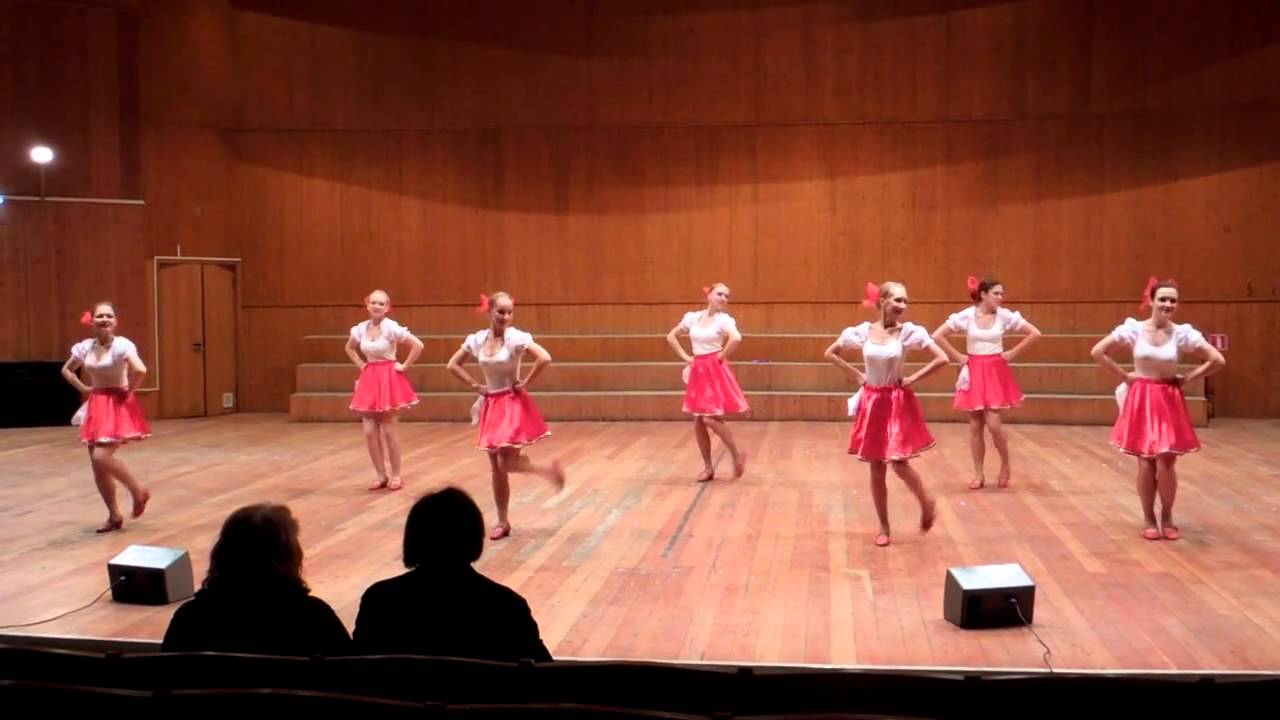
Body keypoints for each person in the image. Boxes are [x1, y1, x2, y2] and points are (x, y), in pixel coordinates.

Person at [1090, 277, 1225, 541]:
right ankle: (1149, 518)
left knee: (1166, 461)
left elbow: (1217, 359)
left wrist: (1188, 378)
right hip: (1142, 397)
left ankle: (1168, 516)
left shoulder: (1182, 333)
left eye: (1173, 300)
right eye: (1162, 299)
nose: (1168, 304)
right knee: (1145, 462)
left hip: (1168, 398)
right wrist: (1125, 376)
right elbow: (1098, 351)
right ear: (1151, 300)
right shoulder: (1134, 329)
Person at [353, 486, 553, 662]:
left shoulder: (379, 600)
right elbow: (547, 676)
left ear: (413, 538)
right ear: (475, 538)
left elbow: (354, 670)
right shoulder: (507, 606)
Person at [824, 282, 949, 547]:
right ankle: (883, 525)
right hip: (872, 401)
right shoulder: (862, 332)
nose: (903, 306)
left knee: (900, 463)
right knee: (876, 466)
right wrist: (857, 375)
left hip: (894, 400)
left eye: (906, 301)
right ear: (882, 301)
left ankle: (925, 502)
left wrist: (913, 378)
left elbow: (941, 358)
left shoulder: (908, 333)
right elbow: (831, 353)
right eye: (898, 300)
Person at [446, 292, 564, 540]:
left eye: (510, 312)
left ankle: (546, 472)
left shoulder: (515, 338)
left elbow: (544, 357)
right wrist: (476, 386)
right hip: (491, 403)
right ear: (490, 311)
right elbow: (452, 365)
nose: (506, 316)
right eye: (501, 311)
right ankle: (502, 520)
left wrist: (525, 382)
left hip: (511, 404)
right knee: (496, 468)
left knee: (505, 463)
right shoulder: (477, 339)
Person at [161, 503, 351, 656]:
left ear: (222, 553)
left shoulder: (191, 618)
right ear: (290, 556)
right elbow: (349, 676)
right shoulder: (314, 618)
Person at [931, 276, 1042, 489]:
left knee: (994, 424)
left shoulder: (1004, 316)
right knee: (975, 425)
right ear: (983, 294)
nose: (1000, 297)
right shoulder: (967, 316)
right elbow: (938, 335)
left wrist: (1011, 353)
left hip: (994, 371)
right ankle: (978, 473)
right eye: (996, 293)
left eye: (1002, 294)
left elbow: (1034, 333)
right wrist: (958, 357)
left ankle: (1005, 464)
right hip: (974, 369)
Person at [60, 302, 152, 533]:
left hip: (117, 404)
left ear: (115, 321)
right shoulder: (85, 347)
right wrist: (84, 388)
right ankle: (114, 516)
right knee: (98, 466)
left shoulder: (122, 345)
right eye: (100, 316)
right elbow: (67, 369)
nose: (104, 319)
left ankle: (137, 491)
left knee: (101, 456)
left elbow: (140, 369)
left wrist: (129, 391)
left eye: (109, 316)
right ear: (92, 320)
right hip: (97, 404)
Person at [664, 283, 748, 482]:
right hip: (697, 369)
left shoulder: (723, 320)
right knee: (698, 420)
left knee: (708, 418)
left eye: (726, 296)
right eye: (719, 294)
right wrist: (686, 357)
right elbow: (671, 336)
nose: (723, 298)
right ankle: (708, 467)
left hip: (713, 369)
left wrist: (721, 356)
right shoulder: (692, 317)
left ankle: (736, 454)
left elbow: (736, 338)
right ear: (709, 295)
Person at [346, 289, 424, 491]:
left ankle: (396, 475)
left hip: (388, 377)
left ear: (387, 307)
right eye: (373, 302)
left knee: (389, 428)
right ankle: (380, 474)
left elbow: (417, 345)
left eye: (381, 303)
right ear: (367, 305)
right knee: (369, 431)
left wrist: (404, 366)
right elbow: (350, 347)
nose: (377, 306)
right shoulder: (360, 329)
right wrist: (361, 365)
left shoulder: (390, 327)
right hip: (370, 377)